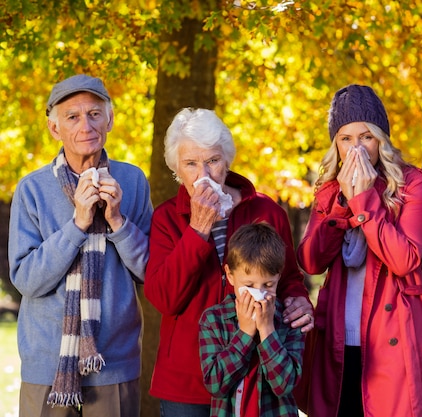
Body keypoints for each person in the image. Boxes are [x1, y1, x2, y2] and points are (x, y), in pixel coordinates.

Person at [295, 84, 422, 417]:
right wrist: (342, 205)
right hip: (337, 334)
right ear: (335, 143)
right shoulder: (330, 190)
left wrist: (363, 200)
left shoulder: (412, 183)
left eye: (366, 137)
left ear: (381, 139)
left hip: (395, 336)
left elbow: (405, 260)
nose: (356, 148)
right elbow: (311, 261)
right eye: (346, 139)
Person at [144, 107, 313, 416]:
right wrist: (197, 230)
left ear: (227, 159)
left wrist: (300, 300)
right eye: (191, 164)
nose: (204, 175)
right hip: (189, 381)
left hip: (258, 376)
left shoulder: (266, 211)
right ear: (176, 170)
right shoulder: (167, 218)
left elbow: (288, 278)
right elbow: (164, 298)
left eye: (213, 161)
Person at [8, 74, 153, 416]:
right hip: (47, 364)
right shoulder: (32, 189)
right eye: (72, 116)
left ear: (110, 119)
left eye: (94, 113)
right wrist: (78, 224)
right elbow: (26, 279)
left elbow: (150, 271)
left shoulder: (132, 180)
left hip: (113, 361)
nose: (85, 125)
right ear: (54, 128)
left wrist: (117, 221)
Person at [199, 222, 305, 417]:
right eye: (249, 285)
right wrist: (245, 333)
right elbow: (215, 384)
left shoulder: (289, 319)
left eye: (268, 285)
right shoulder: (213, 320)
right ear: (230, 276)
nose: (259, 294)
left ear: (278, 278)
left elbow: (284, 385)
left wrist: (267, 330)